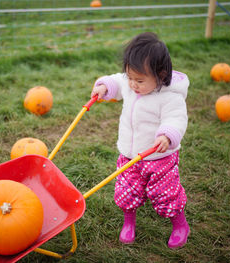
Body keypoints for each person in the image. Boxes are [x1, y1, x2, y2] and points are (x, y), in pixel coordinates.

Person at [91, 32, 190, 249]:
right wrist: (105, 86)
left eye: (140, 80)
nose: (133, 85)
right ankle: (129, 220)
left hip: (158, 155)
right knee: (127, 188)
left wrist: (167, 134)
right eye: (131, 77)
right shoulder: (130, 82)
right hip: (130, 153)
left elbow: (177, 118)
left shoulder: (170, 96)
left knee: (166, 193)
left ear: (161, 75)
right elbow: (118, 80)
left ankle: (180, 224)